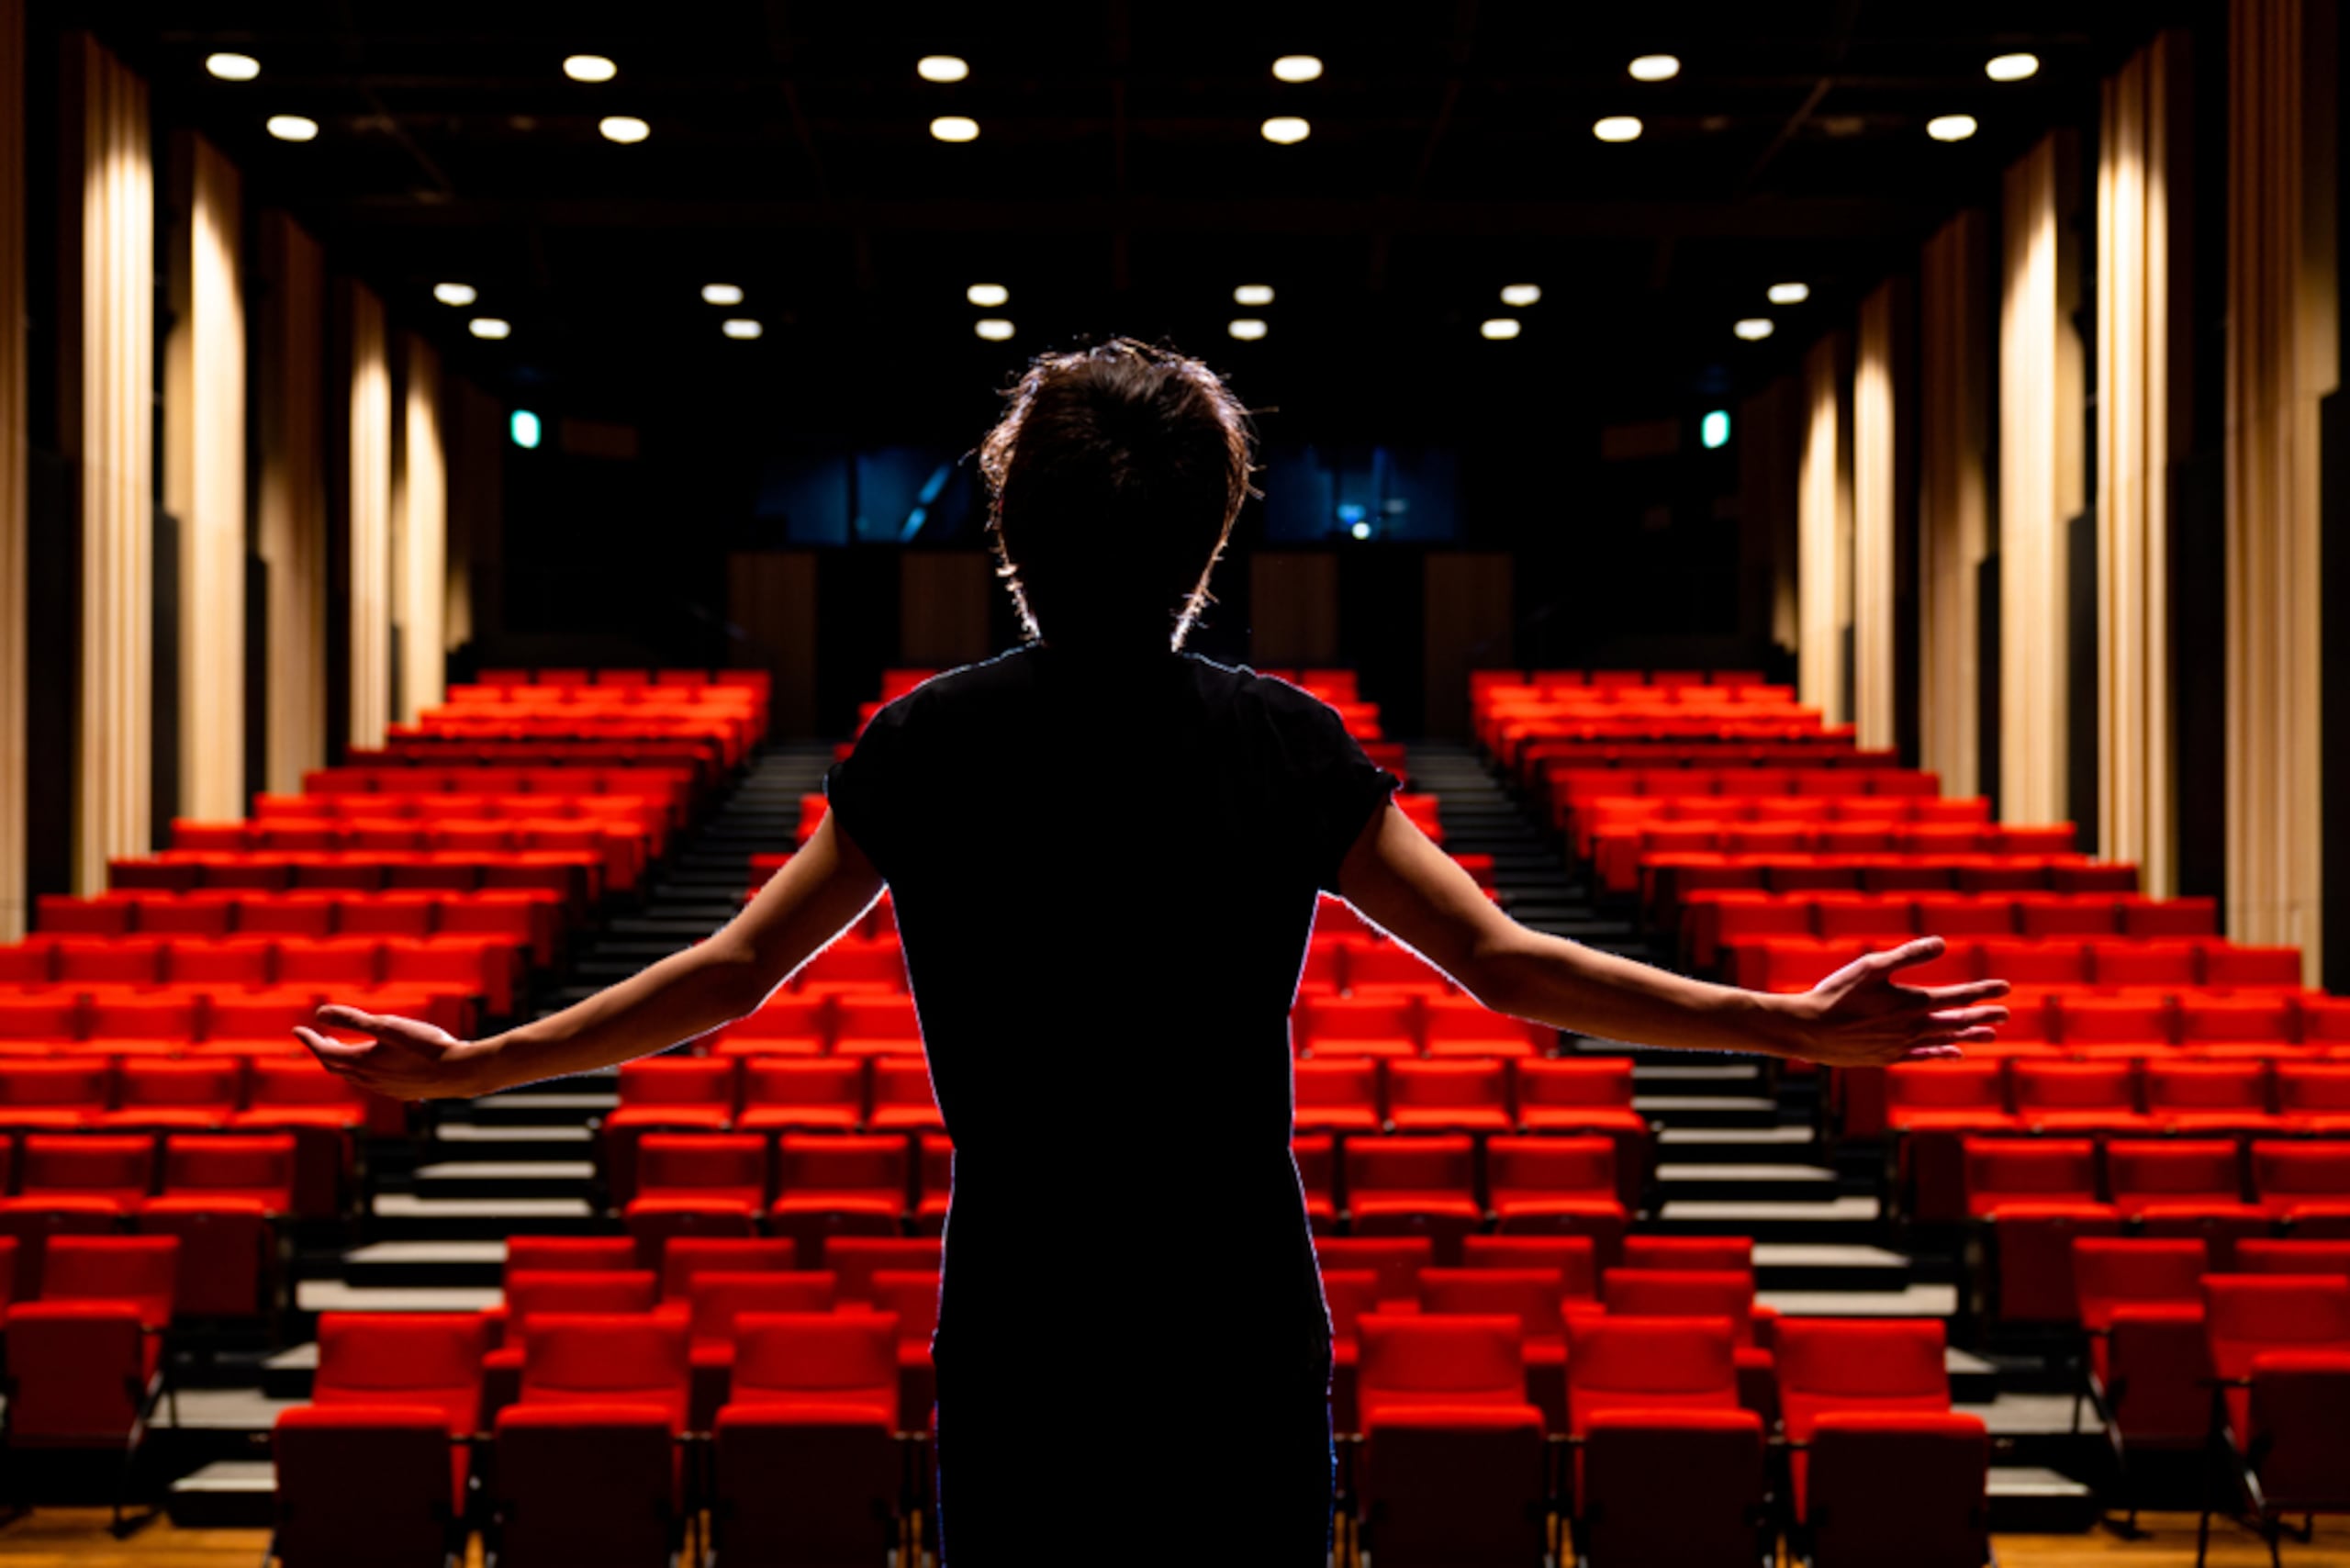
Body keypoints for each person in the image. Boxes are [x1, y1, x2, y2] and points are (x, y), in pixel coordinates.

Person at [298, 339, 2008, 1564]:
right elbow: (1507, 964)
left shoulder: (928, 745)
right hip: (1229, 1304)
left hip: (1025, 1307)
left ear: (1011, 532)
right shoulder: (1282, 744)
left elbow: (729, 974)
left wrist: (476, 1064)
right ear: (1212, 540)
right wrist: (1790, 1025)